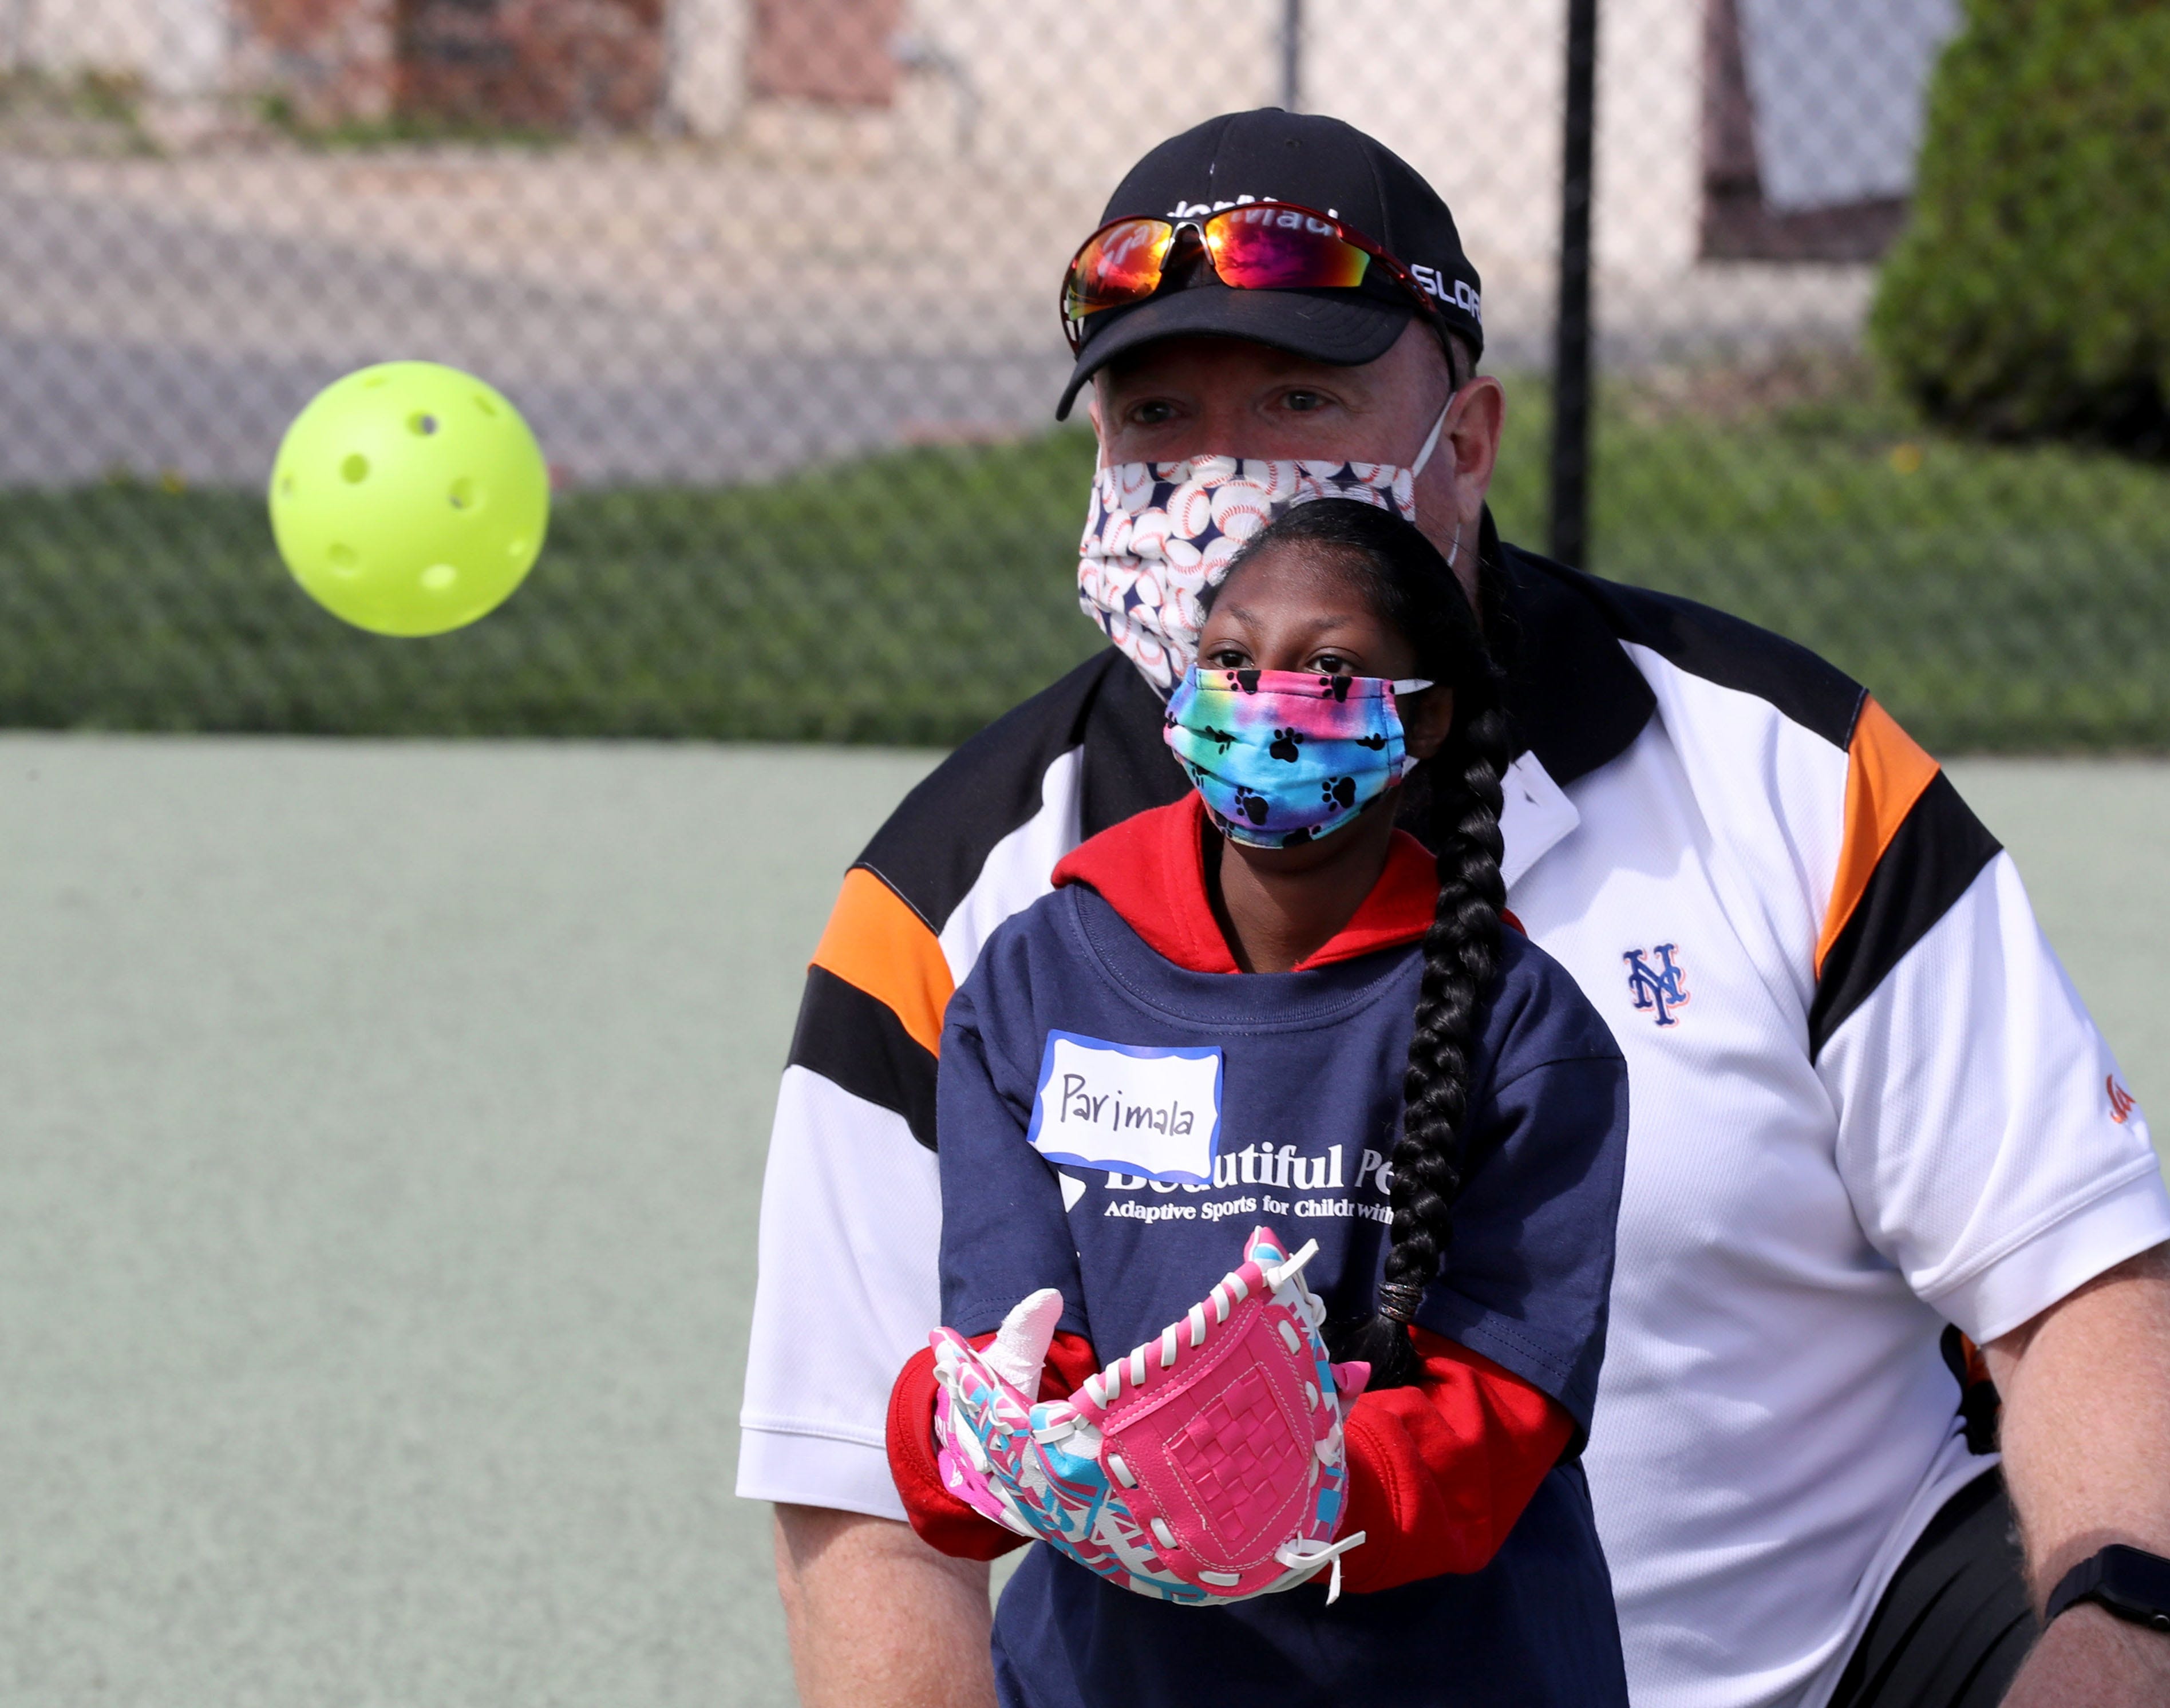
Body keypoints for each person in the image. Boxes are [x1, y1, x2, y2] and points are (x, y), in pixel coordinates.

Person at [740, 109, 2170, 1708]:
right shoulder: (956, 899)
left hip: (1855, 1661)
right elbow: (870, 1514)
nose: (1225, 484)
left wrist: (2123, 1635)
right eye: (1160, 418)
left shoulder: (1793, 776)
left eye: (1301, 401)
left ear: (1467, 438)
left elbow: (2081, 1280)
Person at [884, 500, 1632, 1706]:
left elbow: (1504, 1404)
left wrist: (1306, 1490)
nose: (1265, 701)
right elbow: (1008, 1340)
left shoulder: (1527, 1027)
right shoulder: (1031, 982)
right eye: (1231, 662)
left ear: (1424, 719)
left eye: (1327, 669)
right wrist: (974, 1437)